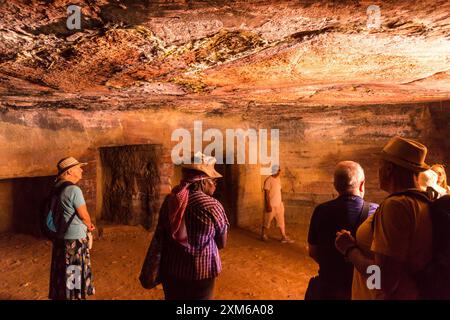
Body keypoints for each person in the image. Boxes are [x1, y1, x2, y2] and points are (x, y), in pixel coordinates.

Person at [335, 136, 433, 300]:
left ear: (389, 169)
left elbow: (382, 282)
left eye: (380, 165)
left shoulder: (396, 206)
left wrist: (349, 250)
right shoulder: (423, 202)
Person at [158, 152, 229, 300]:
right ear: (202, 181)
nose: (215, 184)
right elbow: (222, 243)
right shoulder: (212, 206)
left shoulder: (171, 200)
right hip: (201, 272)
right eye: (213, 181)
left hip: (172, 268)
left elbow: (163, 233)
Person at [306, 161, 378, 299]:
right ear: (362, 185)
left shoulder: (321, 211)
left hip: (329, 287)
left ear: (335, 186)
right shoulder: (376, 212)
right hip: (361, 290)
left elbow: (313, 252)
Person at [49, 157, 95, 300]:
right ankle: (73, 297)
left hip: (61, 236)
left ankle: (65, 296)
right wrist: (90, 225)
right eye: (78, 168)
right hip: (74, 240)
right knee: (74, 271)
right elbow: (84, 215)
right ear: (69, 171)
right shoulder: (74, 190)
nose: (81, 170)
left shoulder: (57, 187)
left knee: (64, 270)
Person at [261, 165, 293, 243]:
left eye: (279, 171)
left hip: (279, 204)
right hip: (271, 205)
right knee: (267, 221)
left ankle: (283, 236)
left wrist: (281, 201)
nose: (278, 172)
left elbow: (279, 191)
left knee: (281, 221)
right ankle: (263, 235)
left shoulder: (278, 179)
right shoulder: (268, 180)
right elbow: (266, 194)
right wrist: (268, 205)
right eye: (277, 171)